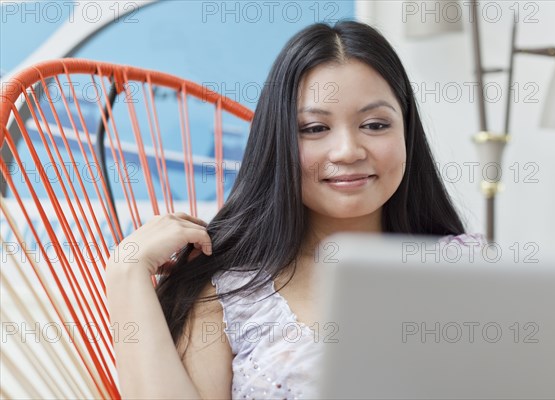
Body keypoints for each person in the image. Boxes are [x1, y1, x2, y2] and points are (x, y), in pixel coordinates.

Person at [106, 20, 486, 399]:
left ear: (407, 133)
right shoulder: (227, 292)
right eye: (315, 129)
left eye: (374, 124)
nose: (348, 151)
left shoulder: (467, 268)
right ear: (279, 140)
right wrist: (126, 272)